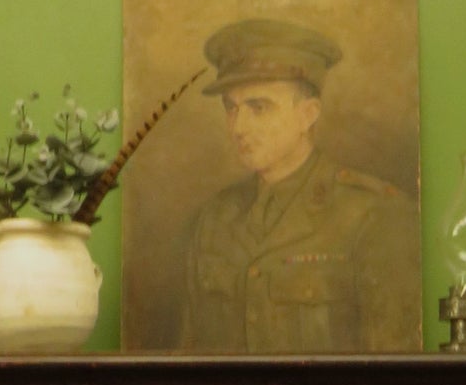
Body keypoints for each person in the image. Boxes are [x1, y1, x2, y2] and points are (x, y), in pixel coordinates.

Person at [178, 18, 422, 352]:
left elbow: (392, 380)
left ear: (308, 115)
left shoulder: (374, 216)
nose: (238, 127)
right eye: (231, 108)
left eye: (258, 108)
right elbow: (190, 368)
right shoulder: (213, 220)